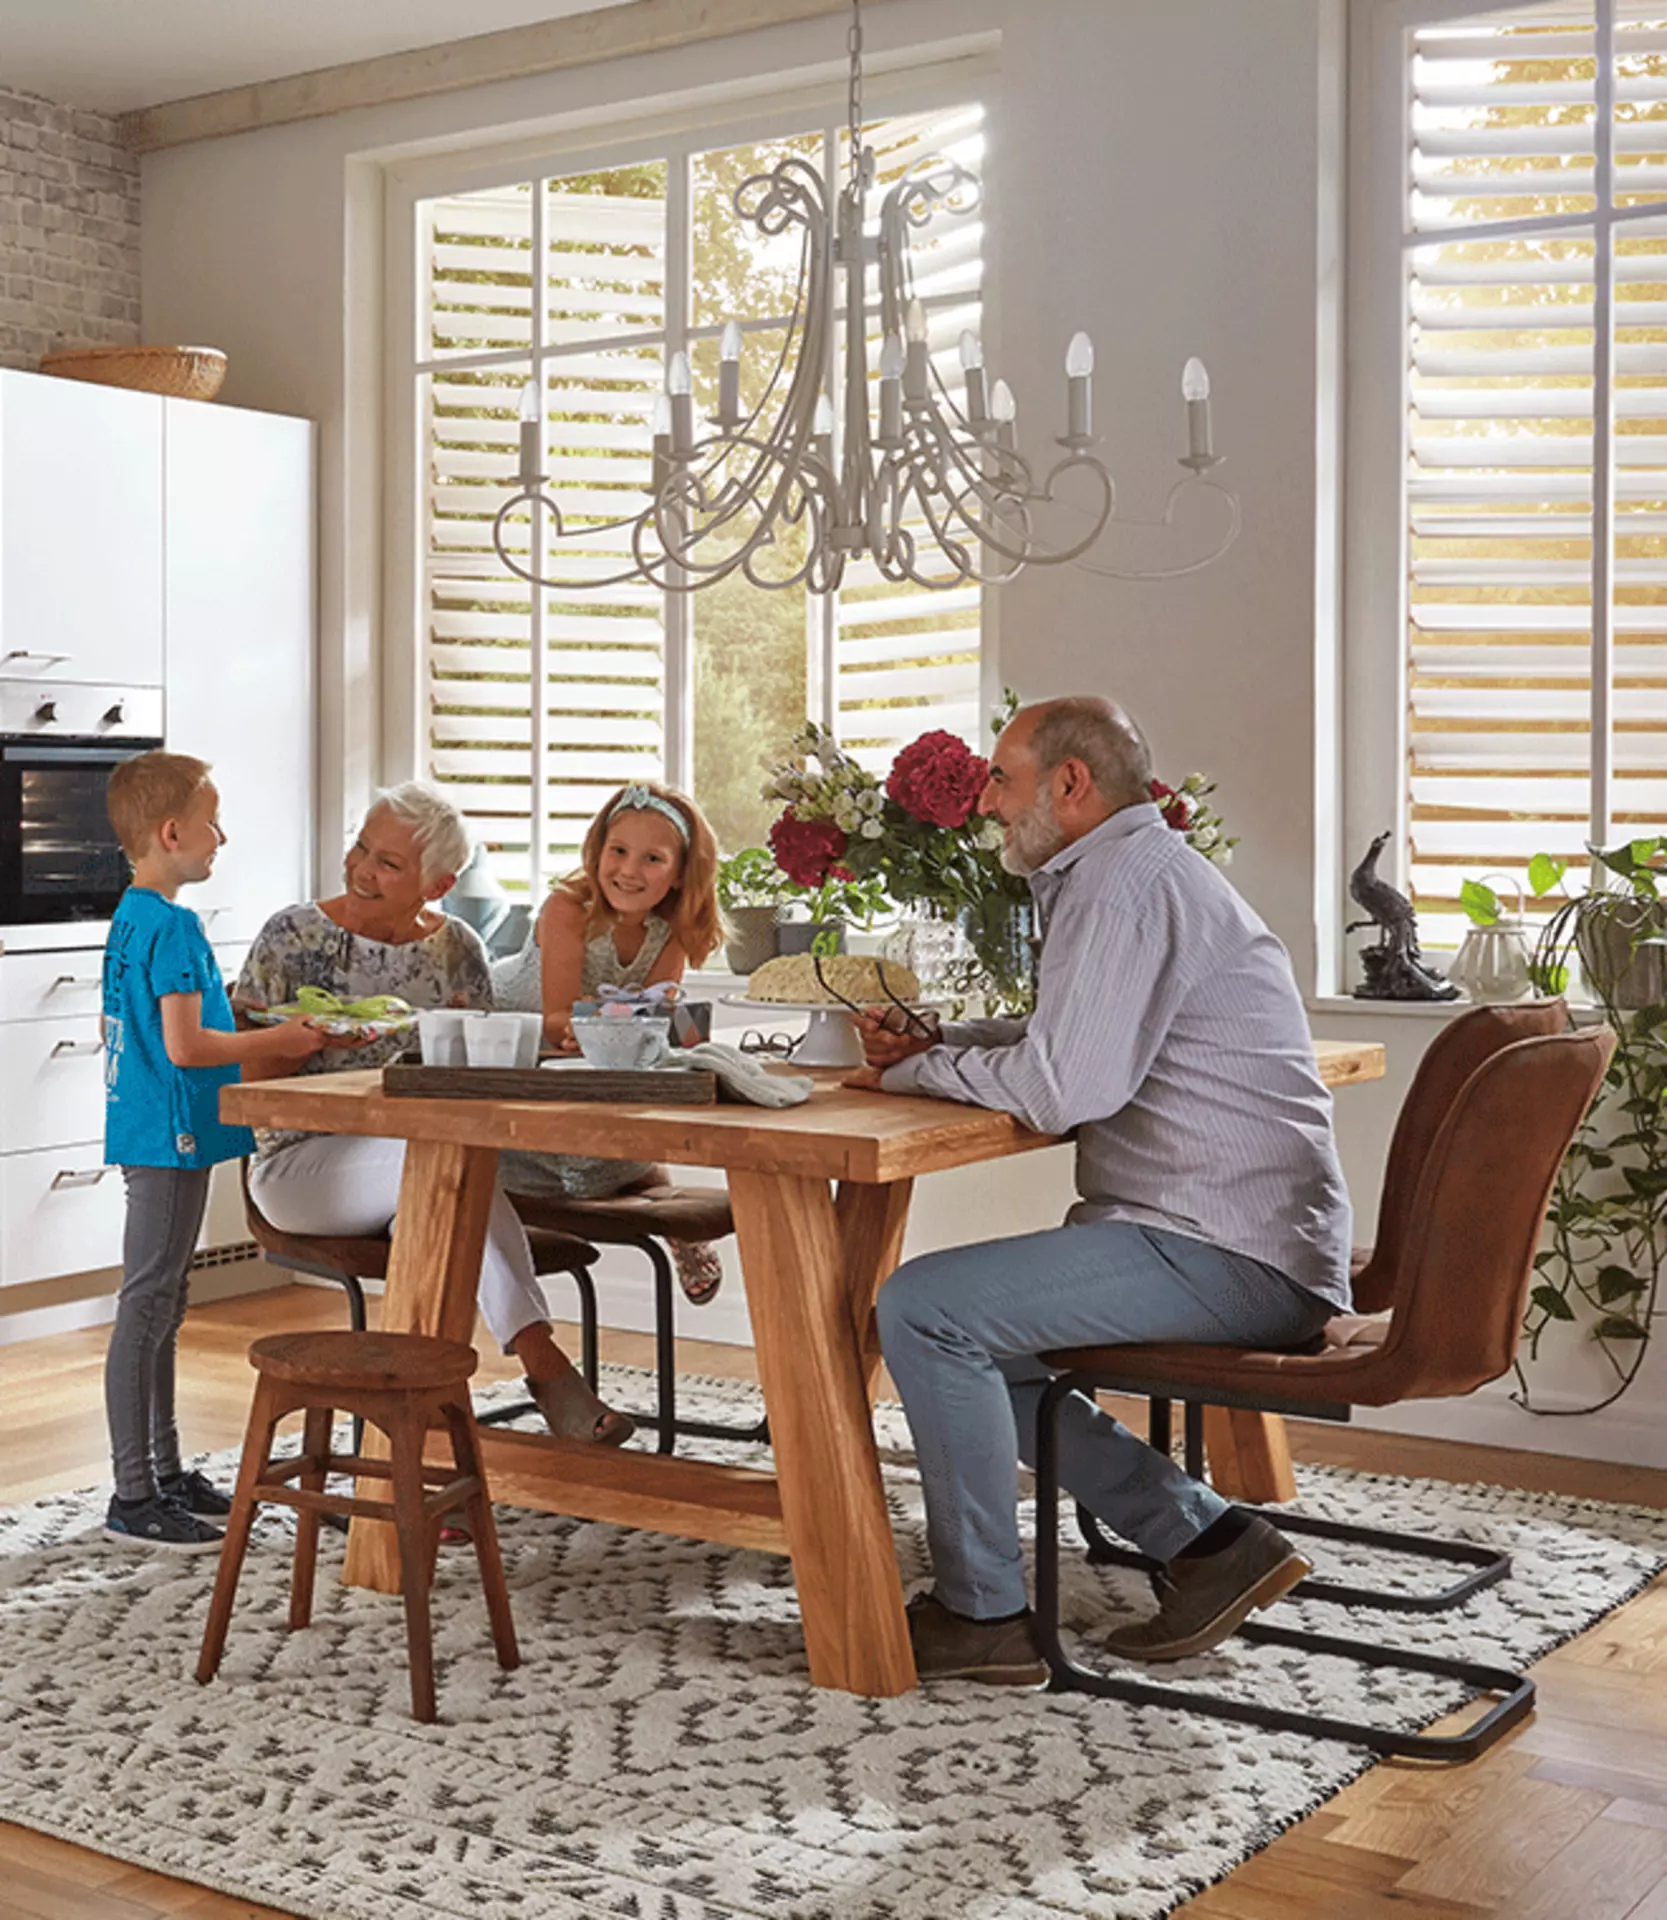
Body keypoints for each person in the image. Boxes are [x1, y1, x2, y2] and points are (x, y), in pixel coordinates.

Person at [856, 697, 1353, 1686]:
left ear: (1069, 783)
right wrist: (944, 1046)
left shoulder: (1119, 887)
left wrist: (906, 1076)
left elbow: (1064, 1089)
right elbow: (1076, 1044)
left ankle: (981, 1616)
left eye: (1001, 779)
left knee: (922, 1308)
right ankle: (1210, 1546)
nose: (985, 805)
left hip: (1223, 1254)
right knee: (958, 1331)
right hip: (1243, 1239)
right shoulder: (1137, 870)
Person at [237, 782, 634, 1445]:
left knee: (451, 1171)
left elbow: (475, 1074)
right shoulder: (293, 935)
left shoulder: (457, 949)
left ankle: (418, 1447)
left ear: (438, 882)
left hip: (415, 1162)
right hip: (299, 1169)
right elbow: (254, 1082)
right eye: (361, 848)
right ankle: (546, 1369)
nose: (362, 869)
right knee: (447, 1162)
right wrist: (307, 1037)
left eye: (388, 863)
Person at [101, 752, 332, 1550]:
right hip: (173, 1132)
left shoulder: (134, 916)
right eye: (212, 823)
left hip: (155, 1127)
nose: (221, 837)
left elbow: (178, 1022)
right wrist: (283, 1038)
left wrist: (251, 1014)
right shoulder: (175, 925)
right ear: (173, 833)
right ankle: (134, 1493)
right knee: (148, 1304)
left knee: (163, 1303)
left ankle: (163, 1475)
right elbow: (188, 1045)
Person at [492, 780, 727, 1304]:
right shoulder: (567, 908)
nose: (628, 870)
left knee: (619, 1147)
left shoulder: (672, 935)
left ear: (680, 873)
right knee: (559, 1160)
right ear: (598, 851)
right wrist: (622, 1028)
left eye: (652, 859)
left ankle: (671, 1211)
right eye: (618, 851)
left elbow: (654, 1015)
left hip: (584, 1055)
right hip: (521, 1043)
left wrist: (656, 1032)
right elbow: (556, 1018)